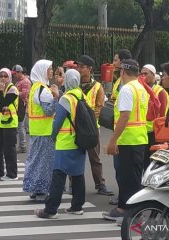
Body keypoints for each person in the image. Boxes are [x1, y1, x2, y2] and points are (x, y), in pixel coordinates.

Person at [35, 69, 87, 219]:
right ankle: (77, 206)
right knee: (78, 175)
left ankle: (50, 210)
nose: (62, 78)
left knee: (58, 176)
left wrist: (52, 136)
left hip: (66, 142)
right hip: (80, 142)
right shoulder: (81, 95)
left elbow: (57, 122)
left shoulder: (66, 99)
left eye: (65, 76)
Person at [103, 59, 148, 221]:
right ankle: (123, 209)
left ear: (123, 72)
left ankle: (133, 214)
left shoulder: (127, 89)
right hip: (138, 138)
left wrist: (112, 140)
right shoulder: (140, 88)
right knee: (128, 177)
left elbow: (125, 116)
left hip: (128, 140)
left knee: (129, 180)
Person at [75, 55, 113, 196]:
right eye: (78, 66)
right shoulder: (74, 84)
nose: (79, 69)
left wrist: (87, 119)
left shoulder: (97, 87)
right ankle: (73, 184)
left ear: (90, 69)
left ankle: (100, 184)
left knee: (95, 158)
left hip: (91, 128)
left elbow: (100, 107)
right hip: (75, 127)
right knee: (75, 156)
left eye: (82, 67)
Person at [23, 59, 59, 202]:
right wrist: (56, 97)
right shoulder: (43, 90)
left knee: (35, 160)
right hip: (45, 131)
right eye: (49, 69)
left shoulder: (36, 87)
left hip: (37, 130)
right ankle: (41, 190)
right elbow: (49, 111)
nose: (51, 71)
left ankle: (34, 188)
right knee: (44, 162)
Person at [109, 49, 132, 205]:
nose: (113, 62)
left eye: (116, 60)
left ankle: (125, 200)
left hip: (126, 132)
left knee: (123, 169)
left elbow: (125, 112)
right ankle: (123, 196)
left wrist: (113, 139)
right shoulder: (119, 81)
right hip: (122, 129)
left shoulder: (126, 84)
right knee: (120, 168)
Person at [141, 64, 168, 169]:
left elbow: (162, 114)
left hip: (154, 132)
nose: (143, 76)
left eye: (146, 73)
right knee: (143, 161)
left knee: (152, 162)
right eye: (141, 73)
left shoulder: (160, 92)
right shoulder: (141, 89)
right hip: (142, 131)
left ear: (153, 75)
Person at [12, 64, 31, 154]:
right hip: (17, 106)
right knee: (18, 126)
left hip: (22, 106)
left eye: (15, 73)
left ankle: (23, 146)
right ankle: (19, 145)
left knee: (20, 127)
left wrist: (14, 91)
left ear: (20, 72)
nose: (14, 75)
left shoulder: (25, 82)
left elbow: (24, 94)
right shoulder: (18, 81)